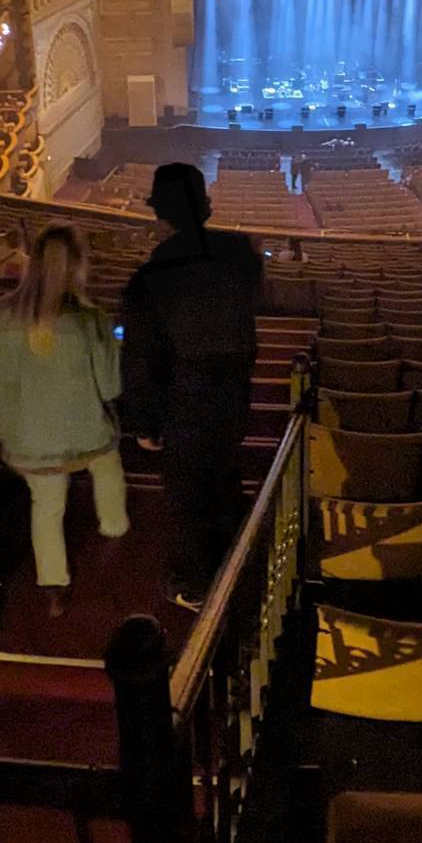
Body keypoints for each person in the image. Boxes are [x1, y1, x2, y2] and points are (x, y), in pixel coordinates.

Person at [120, 163, 262, 609]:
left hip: (182, 402)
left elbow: (140, 359)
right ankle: (236, 565)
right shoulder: (241, 253)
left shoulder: (147, 278)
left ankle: (198, 584)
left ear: (161, 215)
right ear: (207, 206)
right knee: (225, 476)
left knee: (187, 496)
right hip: (234, 394)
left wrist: (142, 422)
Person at [0, 227, 128, 619]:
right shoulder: (90, 318)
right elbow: (110, 387)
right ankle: (113, 529)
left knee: (46, 503)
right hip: (85, 433)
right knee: (107, 465)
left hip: (27, 438)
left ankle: (53, 583)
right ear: (78, 266)